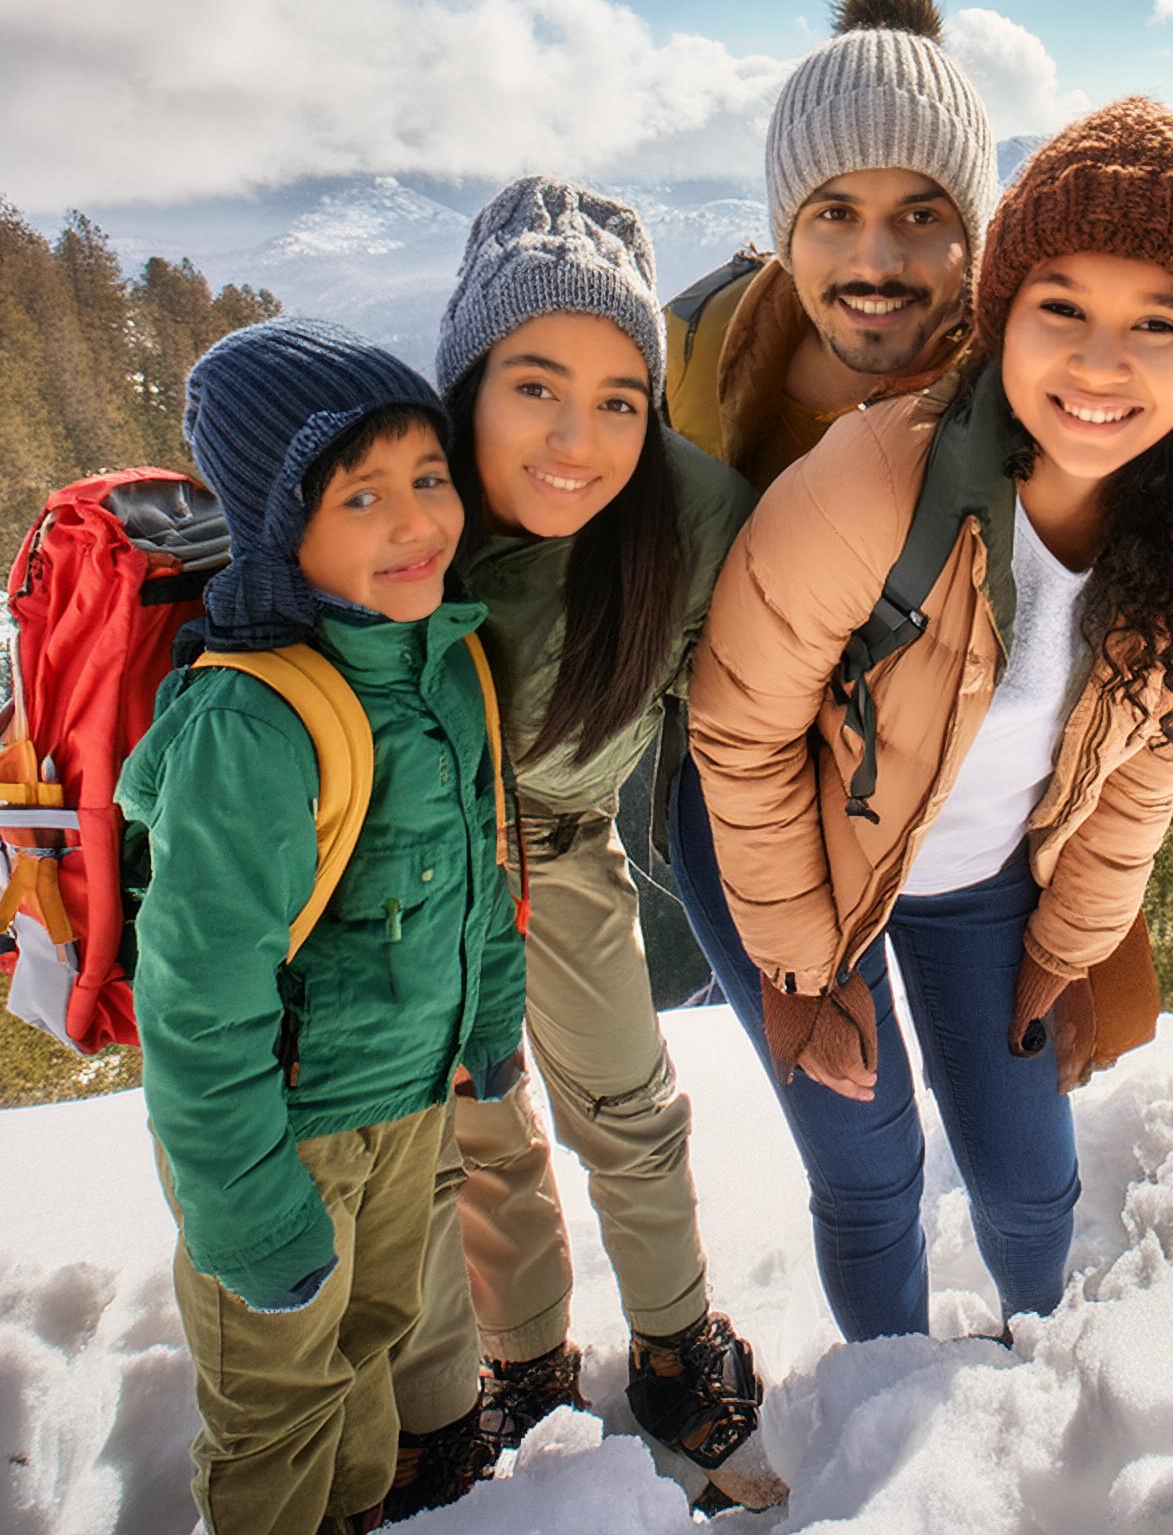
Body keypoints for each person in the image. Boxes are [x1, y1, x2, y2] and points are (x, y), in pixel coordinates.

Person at [681, 97, 1173, 1344]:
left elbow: (1146, 770)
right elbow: (738, 735)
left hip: (976, 871)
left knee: (1026, 1177)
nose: (1101, 363)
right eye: (1061, 305)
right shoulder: (870, 481)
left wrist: (1067, 945)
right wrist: (798, 970)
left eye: (1154, 322)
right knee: (870, 1170)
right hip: (788, 850)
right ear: (1001, 312)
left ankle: (1037, 1370)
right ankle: (886, 1408)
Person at [384, 177, 781, 1517]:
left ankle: (675, 1345)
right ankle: (517, 1367)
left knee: (626, 1107)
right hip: (411, 873)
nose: (577, 439)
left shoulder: (689, 515)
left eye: (620, 398)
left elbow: (736, 725)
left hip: (560, 846)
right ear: (469, 382)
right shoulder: (396, 508)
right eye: (535, 386)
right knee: (461, 1133)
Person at [120, 317, 527, 1535]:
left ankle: (353, 1514)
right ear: (279, 526)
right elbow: (196, 1000)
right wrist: (243, 1206)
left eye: (428, 477)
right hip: (282, 1135)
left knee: (370, 1339)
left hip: (401, 1106)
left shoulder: (441, 656)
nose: (416, 522)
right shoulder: (249, 725)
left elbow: (474, 861)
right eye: (361, 495)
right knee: (276, 1404)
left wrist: (491, 1014)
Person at [663, 0, 1000, 493]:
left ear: (973, 240)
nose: (875, 263)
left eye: (919, 217)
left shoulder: (1026, 414)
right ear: (787, 234)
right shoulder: (687, 357)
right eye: (836, 215)